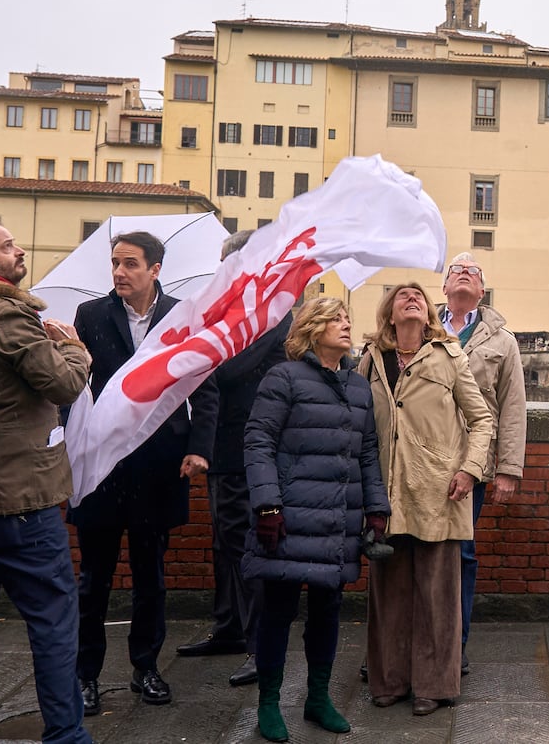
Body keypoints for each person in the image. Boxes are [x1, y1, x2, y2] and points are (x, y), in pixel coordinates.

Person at [69, 231, 218, 713]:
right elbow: (74, 389)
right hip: (102, 467)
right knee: (94, 579)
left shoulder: (182, 317)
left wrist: (199, 449)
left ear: (155, 269)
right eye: (115, 263)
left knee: (151, 577)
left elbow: (205, 388)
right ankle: (85, 676)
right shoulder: (90, 316)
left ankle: (146, 668)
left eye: (130, 263)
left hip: (158, 465)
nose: (119, 272)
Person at [241, 297, 390, 741]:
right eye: (335, 319)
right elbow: (257, 442)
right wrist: (267, 505)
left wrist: (376, 509)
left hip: (335, 521)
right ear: (311, 328)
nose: (346, 325)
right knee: (278, 611)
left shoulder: (357, 385)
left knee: (327, 612)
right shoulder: (283, 378)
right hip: (287, 517)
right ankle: (269, 703)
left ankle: (318, 699)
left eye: (347, 317)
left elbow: (366, 452)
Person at [358, 282, 493, 716]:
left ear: (428, 312)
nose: (412, 298)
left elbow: (482, 419)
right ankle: (390, 680)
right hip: (386, 490)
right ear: (390, 314)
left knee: (438, 594)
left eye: (418, 294)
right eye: (402, 295)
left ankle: (434, 686)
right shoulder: (371, 360)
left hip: (438, 487)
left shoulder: (449, 356)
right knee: (388, 593)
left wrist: (470, 470)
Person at [0, 223, 94, 744]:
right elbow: (65, 383)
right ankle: (66, 736)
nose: (21, 248)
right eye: (7, 246)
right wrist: (75, 351)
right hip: (19, 505)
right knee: (53, 624)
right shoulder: (6, 315)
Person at [176, 230, 291, 688]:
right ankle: (228, 628)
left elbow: (232, 368)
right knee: (225, 543)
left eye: (233, 263)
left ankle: (259, 647)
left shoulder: (271, 311)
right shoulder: (226, 314)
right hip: (221, 444)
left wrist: (197, 359)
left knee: (248, 545)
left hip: (254, 445)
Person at [438, 252, 526, 674]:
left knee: (461, 553)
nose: (463, 274)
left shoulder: (501, 340)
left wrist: (509, 468)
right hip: (422, 459)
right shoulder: (422, 329)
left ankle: (456, 641)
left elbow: (513, 407)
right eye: (455, 270)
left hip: (472, 465)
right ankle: (408, 640)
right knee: (411, 552)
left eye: (471, 272)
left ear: (482, 290)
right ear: (443, 287)